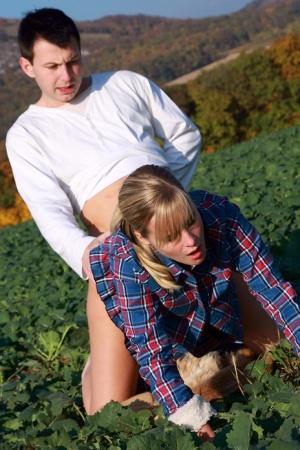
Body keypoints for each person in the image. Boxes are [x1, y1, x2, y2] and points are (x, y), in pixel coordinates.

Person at [5, 8, 201, 415]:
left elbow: (184, 134)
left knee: (262, 342)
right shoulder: (26, 134)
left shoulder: (124, 84)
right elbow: (49, 211)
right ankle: (104, 361)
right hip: (116, 255)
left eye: (73, 60)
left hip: (177, 232)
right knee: (107, 410)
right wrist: (89, 257)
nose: (66, 75)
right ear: (27, 67)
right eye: (53, 66)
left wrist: (165, 199)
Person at [90, 164, 300, 438]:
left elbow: (274, 290)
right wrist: (192, 417)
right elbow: (152, 351)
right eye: (171, 236)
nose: (190, 240)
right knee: (107, 412)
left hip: (210, 305)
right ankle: (94, 365)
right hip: (146, 322)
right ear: (145, 238)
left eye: (190, 222)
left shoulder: (222, 217)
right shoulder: (127, 265)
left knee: (275, 346)